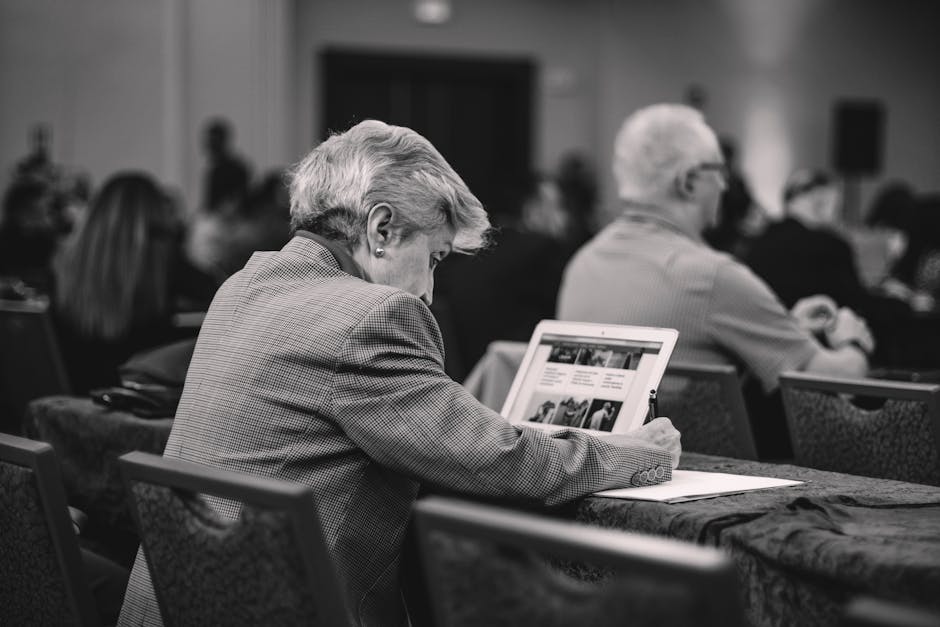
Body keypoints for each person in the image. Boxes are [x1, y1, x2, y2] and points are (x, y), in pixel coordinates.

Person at [118, 120, 681, 627]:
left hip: (170, 603)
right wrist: (633, 454)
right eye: (434, 258)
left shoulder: (240, 286)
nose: (430, 292)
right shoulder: (371, 314)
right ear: (381, 229)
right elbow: (493, 457)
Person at [557, 104, 873, 459]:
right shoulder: (713, 277)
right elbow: (836, 383)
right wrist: (851, 341)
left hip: (609, 478)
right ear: (688, 181)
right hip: (703, 479)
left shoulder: (582, 264)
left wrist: (786, 327)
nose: (724, 184)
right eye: (718, 170)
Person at [53, 172, 207, 394]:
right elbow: (218, 290)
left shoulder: (65, 268)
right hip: (135, 403)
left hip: (76, 405)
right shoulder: (164, 262)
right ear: (156, 223)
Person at [744, 169, 911, 364]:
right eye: (837, 208)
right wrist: (901, 304)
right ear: (821, 202)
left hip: (768, 360)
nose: (836, 217)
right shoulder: (829, 245)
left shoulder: (756, 245)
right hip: (821, 363)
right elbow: (856, 305)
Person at [201, 117, 251, 213]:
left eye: (214, 142)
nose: (210, 146)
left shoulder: (236, 169)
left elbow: (239, 200)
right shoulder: (213, 170)